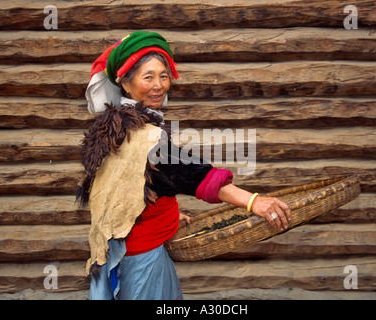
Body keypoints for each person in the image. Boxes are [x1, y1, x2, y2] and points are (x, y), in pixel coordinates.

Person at [76, 31, 291, 300]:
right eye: (148, 77)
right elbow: (195, 177)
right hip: (142, 263)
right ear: (126, 85)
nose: (159, 85)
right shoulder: (144, 137)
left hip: (122, 254)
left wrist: (167, 215)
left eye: (163, 76)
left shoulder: (113, 127)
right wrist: (255, 202)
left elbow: (134, 186)